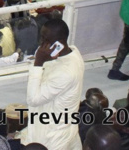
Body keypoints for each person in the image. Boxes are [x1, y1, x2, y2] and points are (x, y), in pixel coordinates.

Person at [24, 18, 85, 150]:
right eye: (41, 37)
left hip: (53, 137)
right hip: (56, 126)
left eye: (45, 39)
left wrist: (38, 63)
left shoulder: (67, 72)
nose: (41, 43)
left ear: (60, 43)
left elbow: (33, 99)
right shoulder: (72, 51)